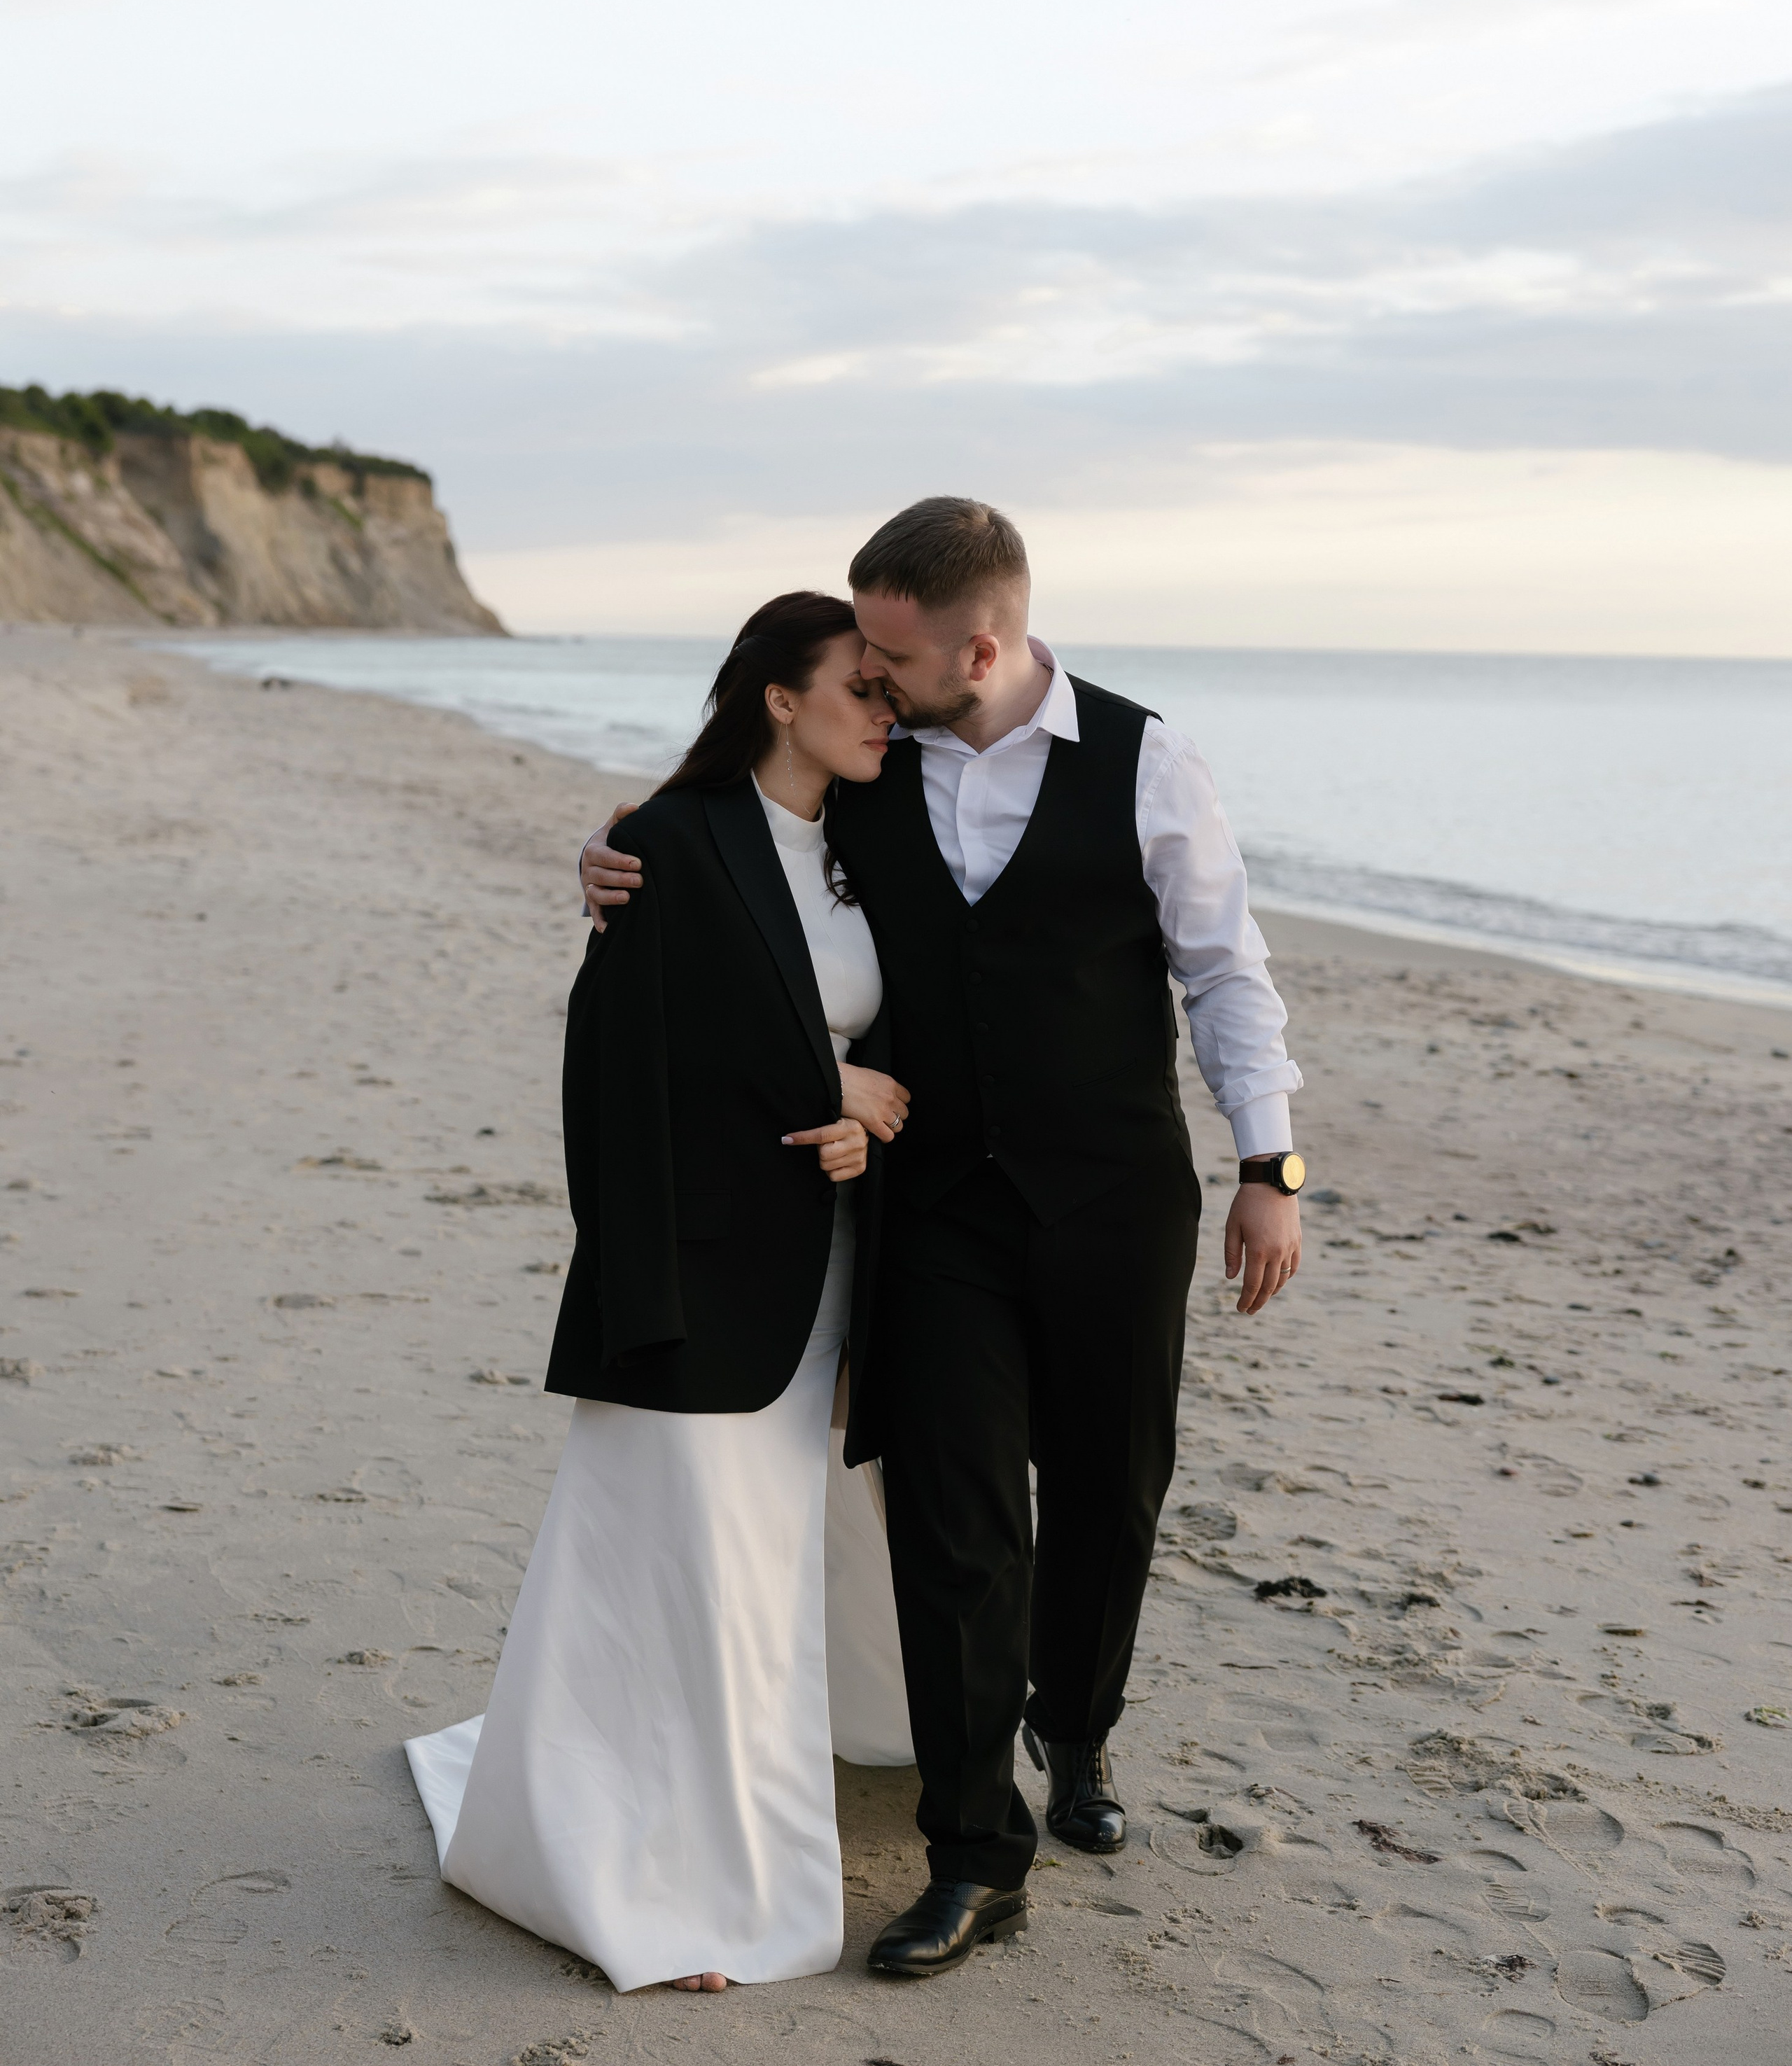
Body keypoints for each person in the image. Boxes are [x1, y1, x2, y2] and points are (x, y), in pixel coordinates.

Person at [580, 498, 1306, 1978]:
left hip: (1111, 1194)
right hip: (937, 1209)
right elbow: (734, 845)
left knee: (1108, 1492)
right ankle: (976, 1847)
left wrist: (1267, 1162)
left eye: (895, 658)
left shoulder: (1148, 759)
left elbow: (1225, 971)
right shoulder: (870, 761)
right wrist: (610, 851)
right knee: (953, 1519)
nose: (874, 681)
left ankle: (1077, 1727)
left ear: (982, 642)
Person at [406, 592, 914, 1994]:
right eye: (856, 685)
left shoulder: (872, 841)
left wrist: (868, 1118)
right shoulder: (663, 846)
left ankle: (692, 1819)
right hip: (694, 1269)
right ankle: (665, 1875)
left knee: (753, 1561)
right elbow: (620, 1077)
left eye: (888, 687)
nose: (883, 709)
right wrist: (818, 1083)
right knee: (685, 1565)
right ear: (774, 695)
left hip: (828, 1271)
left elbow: (905, 1039)